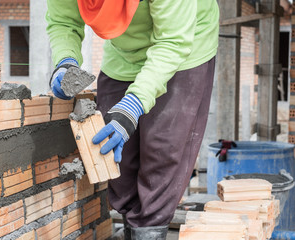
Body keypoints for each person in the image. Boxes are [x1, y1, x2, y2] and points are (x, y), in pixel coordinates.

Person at [46, 0, 219, 239]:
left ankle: (149, 229)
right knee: (118, 161)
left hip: (183, 44)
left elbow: (174, 41)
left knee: (161, 153)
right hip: (123, 54)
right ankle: (132, 229)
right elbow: (64, 20)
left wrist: (134, 104)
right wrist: (66, 60)